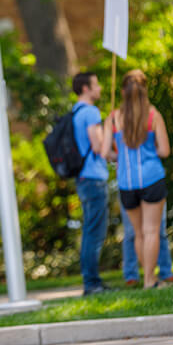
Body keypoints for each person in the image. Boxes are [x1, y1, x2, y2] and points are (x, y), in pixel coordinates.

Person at [100, 70, 170, 289]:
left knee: (139, 233)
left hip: (126, 182)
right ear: (144, 90)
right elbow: (165, 150)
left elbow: (105, 153)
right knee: (152, 231)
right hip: (152, 178)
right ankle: (151, 280)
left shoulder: (113, 118)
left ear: (122, 92)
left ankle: (146, 277)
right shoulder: (153, 115)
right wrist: (151, 149)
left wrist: (118, 154)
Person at [71, 72, 111, 295]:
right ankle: (92, 283)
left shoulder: (75, 112)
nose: (100, 88)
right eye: (96, 84)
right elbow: (98, 147)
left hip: (83, 178)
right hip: (94, 177)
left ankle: (91, 280)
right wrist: (109, 126)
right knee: (95, 232)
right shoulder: (91, 112)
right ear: (86, 88)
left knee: (89, 230)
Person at [120, 202, 173, 286]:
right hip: (129, 190)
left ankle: (164, 273)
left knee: (158, 231)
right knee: (133, 233)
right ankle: (137, 276)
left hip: (150, 190)